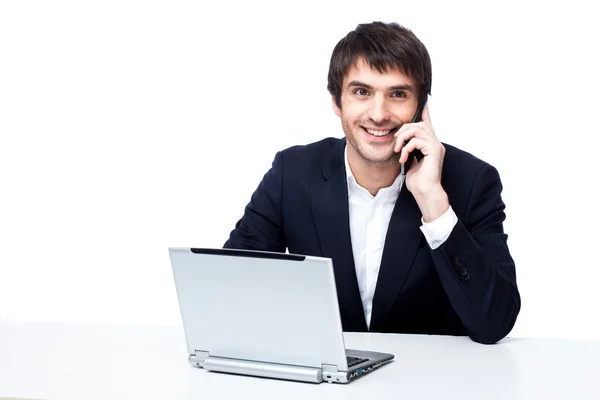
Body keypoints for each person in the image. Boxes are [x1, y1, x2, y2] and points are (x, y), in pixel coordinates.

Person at [223, 21, 520, 344]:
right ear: (337, 102)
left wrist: (434, 204)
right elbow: (232, 290)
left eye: (398, 94)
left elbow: (495, 323)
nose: (378, 114)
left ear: (420, 108)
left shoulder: (472, 181)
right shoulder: (292, 173)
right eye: (361, 92)